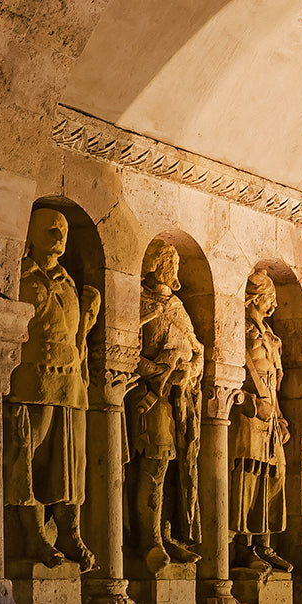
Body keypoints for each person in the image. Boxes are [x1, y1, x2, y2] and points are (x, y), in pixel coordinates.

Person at [4, 207, 101, 570]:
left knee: (71, 463)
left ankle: (70, 532)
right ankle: (34, 535)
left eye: (61, 230)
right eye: (50, 229)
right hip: (32, 380)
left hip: (70, 383)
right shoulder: (21, 276)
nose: (59, 236)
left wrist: (87, 325)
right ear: (29, 235)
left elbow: (76, 336)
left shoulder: (68, 280)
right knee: (28, 459)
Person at [126, 238, 204, 571]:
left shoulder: (177, 306)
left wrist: (189, 372)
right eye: (171, 263)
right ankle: (149, 539)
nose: (175, 270)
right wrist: (159, 371)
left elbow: (197, 350)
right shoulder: (138, 302)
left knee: (177, 469)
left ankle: (167, 531)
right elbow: (123, 350)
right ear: (159, 265)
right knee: (154, 465)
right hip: (151, 399)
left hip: (181, 401)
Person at [229, 269, 292, 572]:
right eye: (271, 297)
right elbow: (228, 378)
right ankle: (243, 549)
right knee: (248, 478)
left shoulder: (269, 336)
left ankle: (264, 545)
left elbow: (272, 381)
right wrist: (252, 405)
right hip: (248, 418)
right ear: (255, 298)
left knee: (275, 474)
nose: (275, 305)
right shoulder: (238, 330)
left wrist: (279, 417)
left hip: (270, 420)